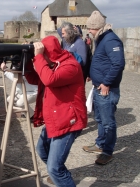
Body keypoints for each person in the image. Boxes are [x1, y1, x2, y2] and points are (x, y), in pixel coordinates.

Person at [25, 36, 87, 187]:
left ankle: (59, 175)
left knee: (53, 168)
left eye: (42, 53)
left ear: (50, 53)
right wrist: (26, 60)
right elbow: (36, 79)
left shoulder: (71, 66)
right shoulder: (53, 65)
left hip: (69, 120)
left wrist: (39, 57)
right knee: (42, 149)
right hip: (56, 117)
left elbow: (49, 80)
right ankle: (60, 176)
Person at [82, 11, 125, 165]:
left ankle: (107, 151)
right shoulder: (102, 39)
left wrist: (106, 83)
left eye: (91, 29)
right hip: (98, 87)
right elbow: (100, 60)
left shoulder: (111, 40)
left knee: (108, 122)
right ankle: (100, 144)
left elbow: (118, 64)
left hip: (106, 88)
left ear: (98, 27)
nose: (89, 31)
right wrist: (91, 74)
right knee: (100, 119)